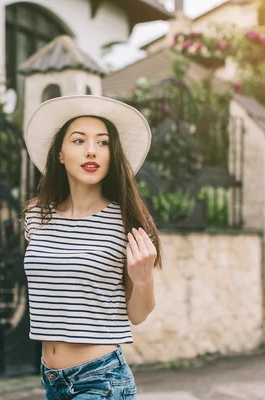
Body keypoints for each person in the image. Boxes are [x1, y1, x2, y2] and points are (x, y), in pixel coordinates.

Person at [22, 94, 163, 399]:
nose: (91, 151)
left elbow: (137, 314)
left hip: (101, 380)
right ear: (59, 154)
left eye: (102, 142)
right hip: (52, 379)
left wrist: (144, 279)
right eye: (78, 141)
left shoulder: (125, 223)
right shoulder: (37, 217)